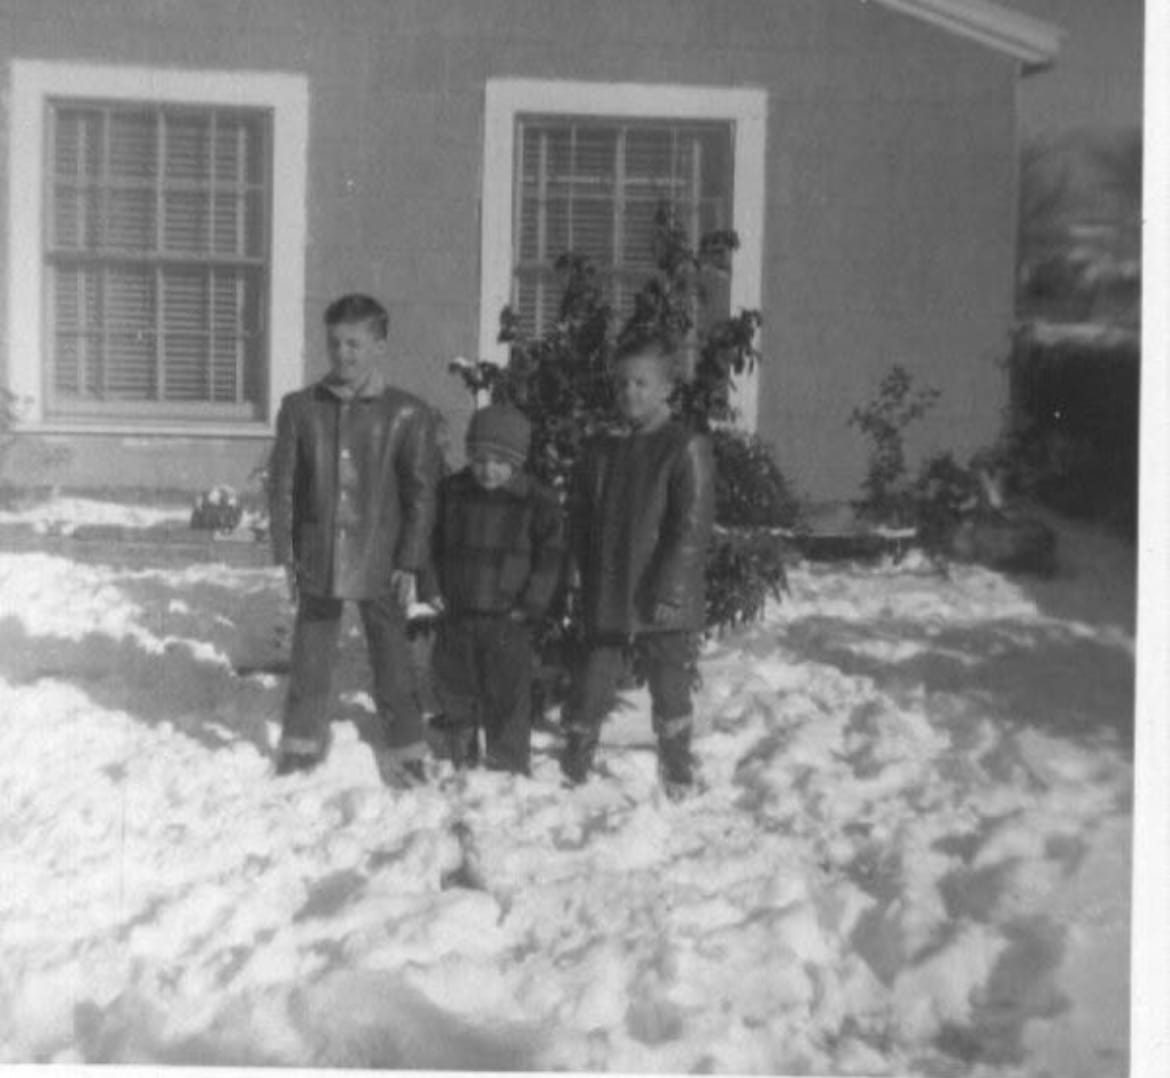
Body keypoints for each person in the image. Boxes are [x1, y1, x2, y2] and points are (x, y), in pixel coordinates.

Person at [267, 293, 439, 785]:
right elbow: (282, 484)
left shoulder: (408, 414)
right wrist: (286, 551)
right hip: (320, 552)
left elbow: (421, 494)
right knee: (311, 650)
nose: (343, 354)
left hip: (381, 556)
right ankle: (301, 741)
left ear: (379, 346)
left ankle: (406, 744)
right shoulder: (301, 409)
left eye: (355, 344)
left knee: (391, 654)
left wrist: (410, 559)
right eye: (335, 343)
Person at [561, 338, 715, 798]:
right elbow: (582, 517)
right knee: (594, 673)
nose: (630, 392)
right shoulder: (601, 449)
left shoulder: (684, 446)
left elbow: (691, 526)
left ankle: (676, 765)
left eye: (642, 383)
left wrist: (671, 589)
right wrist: (575, 571)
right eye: (622, 383)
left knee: (669, 681)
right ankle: (576, 757)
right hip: (609, 586)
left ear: (667, 388)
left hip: (662, 591)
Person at [430, 403, 565, 775]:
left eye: (500, 462)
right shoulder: (452, 493)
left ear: (518, 461)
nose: (488, 470)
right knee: (455, 682)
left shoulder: (536, 501)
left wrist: (532, 605)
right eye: (479, 459)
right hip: (457, 610)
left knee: (507, 691)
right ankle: (462, 751)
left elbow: (550, 558)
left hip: (510, 617)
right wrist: (432, 587)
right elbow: (433, 543)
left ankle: (507, 762)